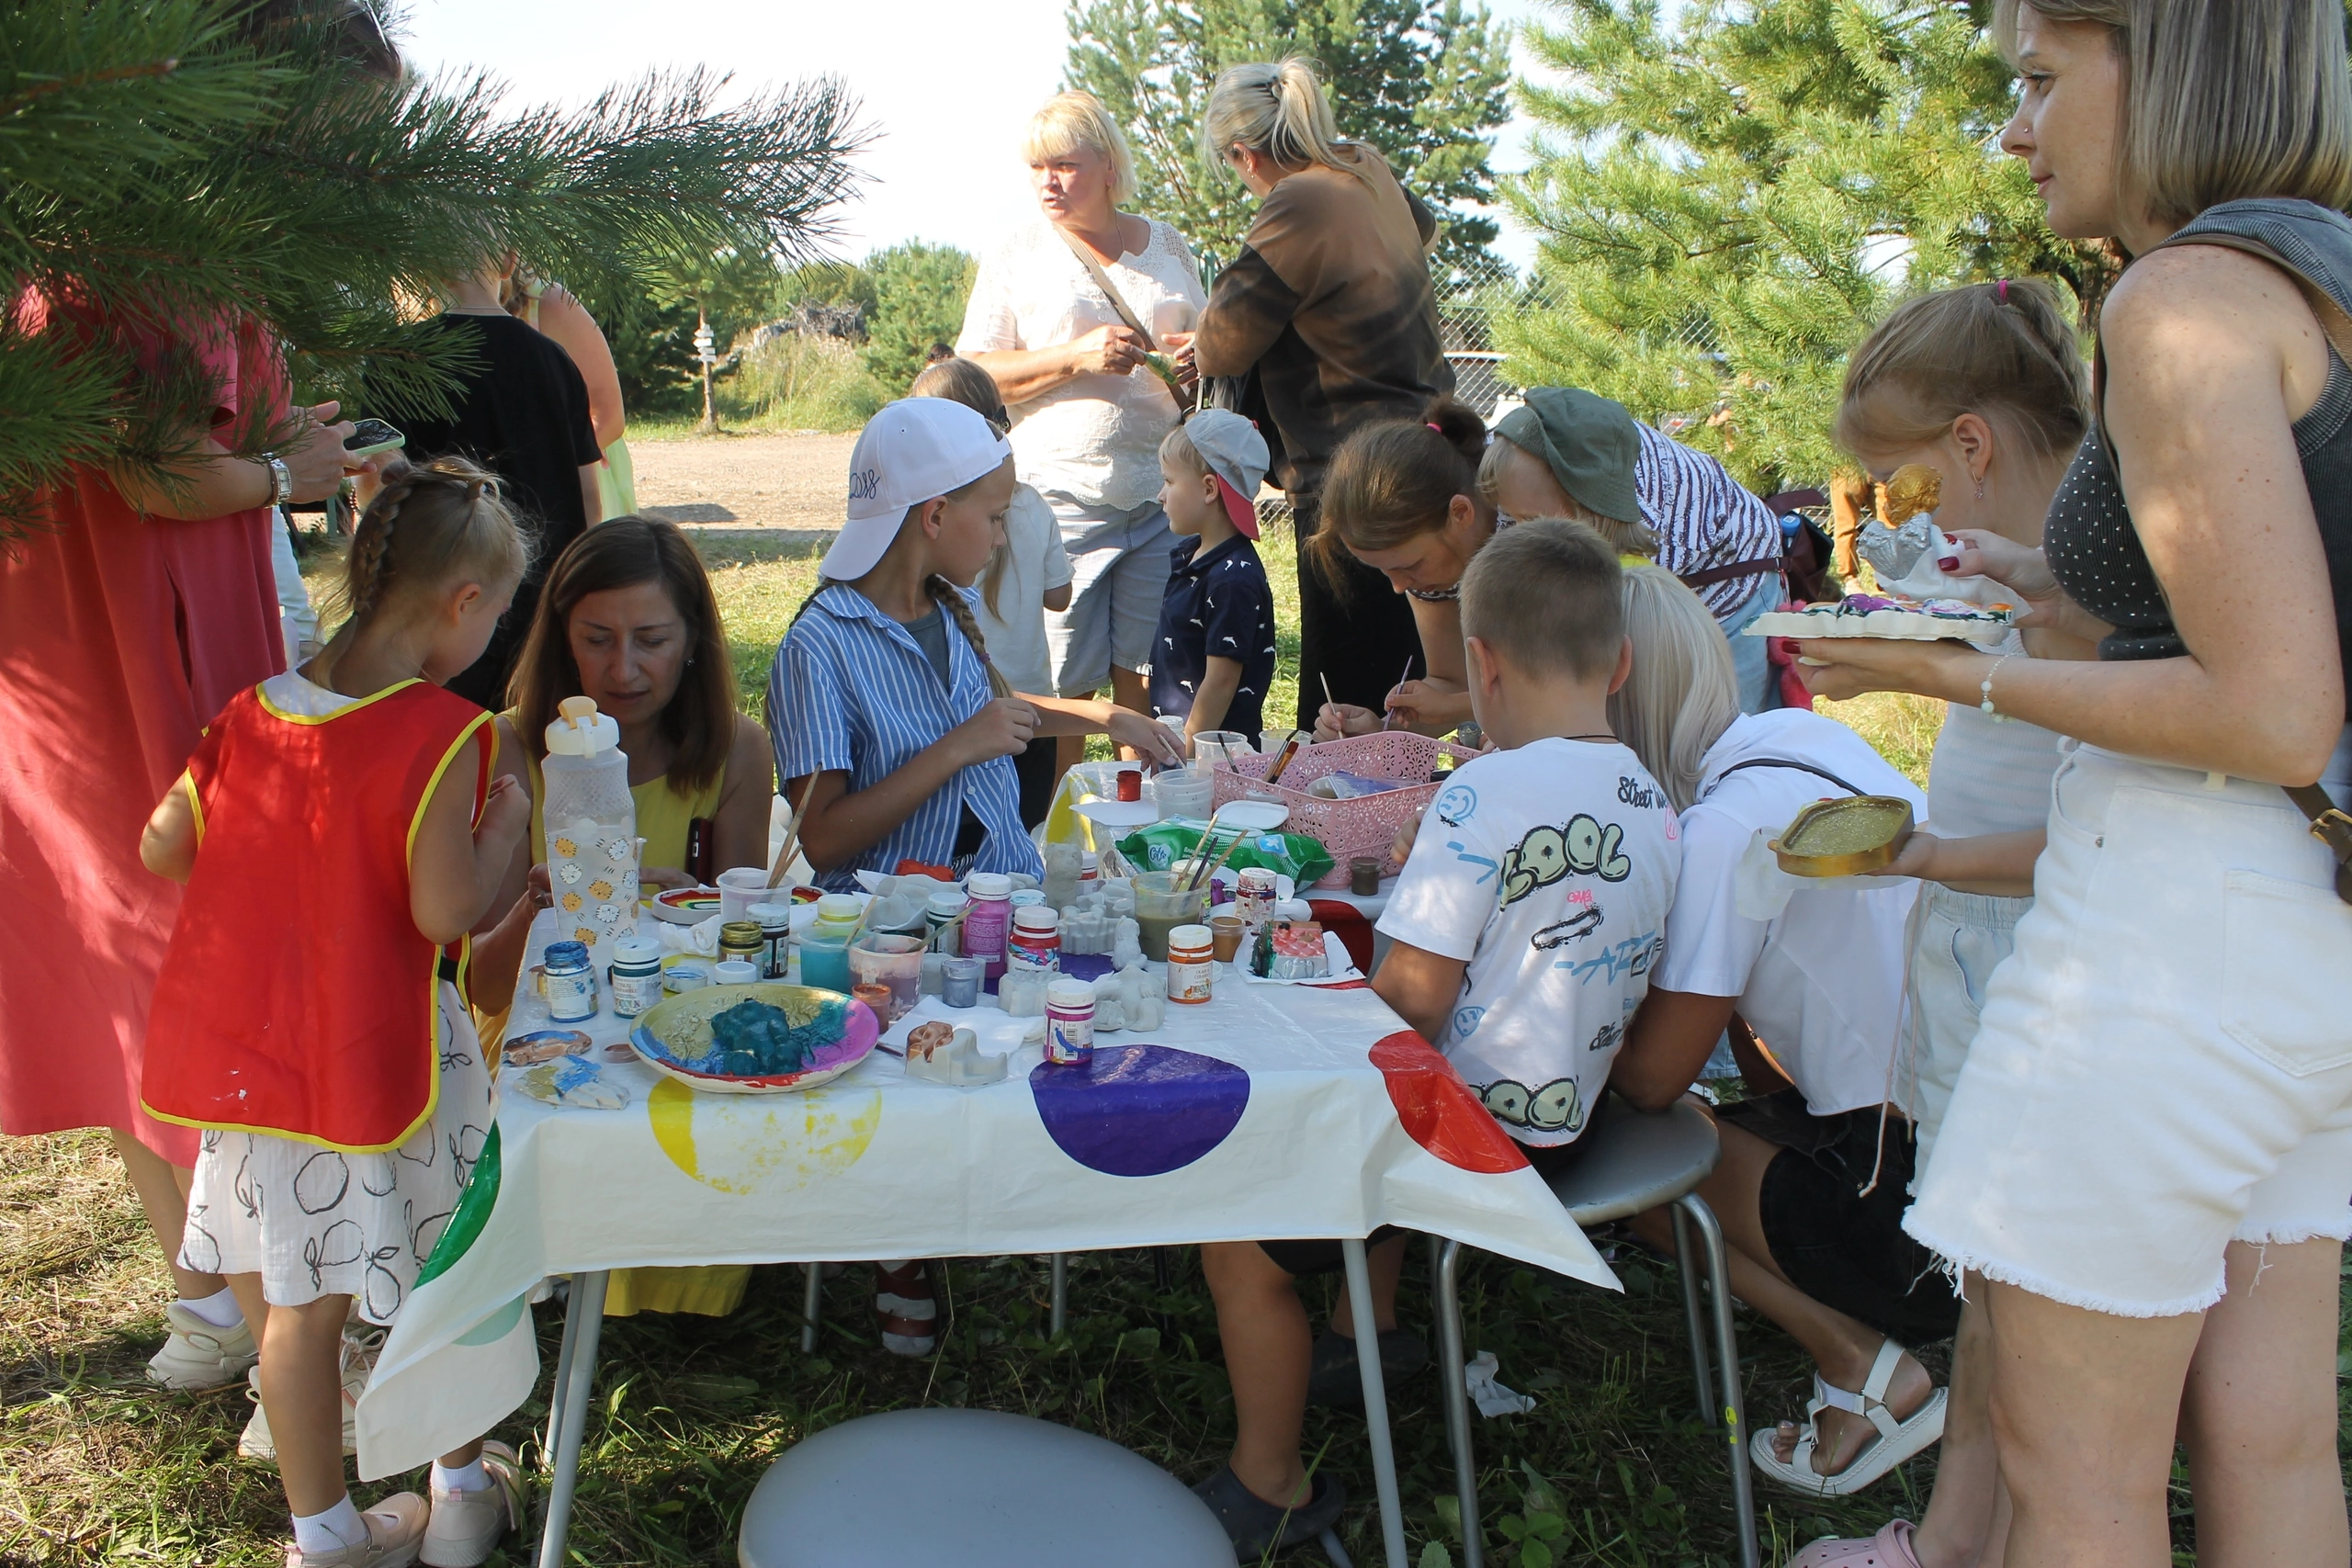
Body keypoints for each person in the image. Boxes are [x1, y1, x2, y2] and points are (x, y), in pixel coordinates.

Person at [1799, 5, 2352, 1562]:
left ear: (2160, 62)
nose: (2014, 127)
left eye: (2041, 78)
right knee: (2272, 1446)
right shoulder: (2318, 272)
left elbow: (2270, 706)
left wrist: (1942, 675)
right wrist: (2052, 581)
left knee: (2076, 1478)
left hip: (2169, 944)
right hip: (2306, 942)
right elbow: (2279, 600)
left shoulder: (2182, 297)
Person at [0, 6, 388, 1388]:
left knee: (149, 959)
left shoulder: (185, 253)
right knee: (171, 969)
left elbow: (226, 438)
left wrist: (299, 449)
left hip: (129, 641)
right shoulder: (148, 261)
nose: (356, 177)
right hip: (118, 655)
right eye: (346, 141)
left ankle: (211, 1300)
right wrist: (286, 476)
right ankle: (267, 1334)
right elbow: (161, 475)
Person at [1193, 522, 1679, 1557]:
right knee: (1415, 1089)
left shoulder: (1481, 791)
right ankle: (1362, 1335)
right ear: (1620, 664)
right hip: (1568, 1120)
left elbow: (1409, 1007)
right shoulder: (1655, 799)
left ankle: (1270, 1479)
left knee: (1235, 1225)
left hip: (1465, 1143)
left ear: (1483, 665)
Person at [136, 457, 530, 1568]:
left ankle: (325, 1536)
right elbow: (447, 909)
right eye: (495, 615)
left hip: (259, 1067)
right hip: (387, 1059)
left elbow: (163, 847)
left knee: (294, 1311)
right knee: (444, 1273)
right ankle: (460, 1493)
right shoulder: (440, 732)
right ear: (463, 602)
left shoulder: (250, 711)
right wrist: (504, 832)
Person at [767, 398, 1182, 1353]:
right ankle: (901, 1246)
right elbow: (824, 838)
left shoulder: (941, 610)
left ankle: (1039, 1193)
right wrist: (957, 748)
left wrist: (1102, 717)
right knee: (914, 1090)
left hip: (1003, 899)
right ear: (932, 515)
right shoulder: (818, 646)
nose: (1000, 538)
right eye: (993, 518)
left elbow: (1001, 709)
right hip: (895, 942)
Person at [1787, 281, 2091, 1565]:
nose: (1898, 520)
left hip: (2029, 962)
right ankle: (1959, 1533)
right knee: (1989, 1278)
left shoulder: (2093, 577)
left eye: (1903, 487)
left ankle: (1988, 1539)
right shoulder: (2033, 559)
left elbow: (2092, 836)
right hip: (1977, 940)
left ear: (1970, 443)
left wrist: (1924, 856)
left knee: (2030, 1303)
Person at [1602, 567, 1957, 1498]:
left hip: (1909, 1214)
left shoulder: (1720, 829)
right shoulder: (1801, 740)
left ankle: (1862, 1369)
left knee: (1622, 1147)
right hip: (1974, 1158)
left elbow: (1652, 1080)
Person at [458, 516, 775, 1320]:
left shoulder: (737, 748)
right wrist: (548, 904)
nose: (623, 668)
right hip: (540, 1025)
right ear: (562, 642)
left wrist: (679, 909)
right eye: (596, 639)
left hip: (674, 1011)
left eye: (652, 640)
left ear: (694, 639)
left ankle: (664, 1266)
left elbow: (742, 945)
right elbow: (488, 985)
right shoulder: (506, 747)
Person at [1190, 57, 1453, 727]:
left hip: (1352, 477)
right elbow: (1423, 230)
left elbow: (1220, 345)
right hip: (1429, 451)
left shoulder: (1297, 199)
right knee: (1408, 698)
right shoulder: (1364, 165)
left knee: (1341, 712)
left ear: (1244, 154)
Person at [956, 91, 1206, 779]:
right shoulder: (1017, 251)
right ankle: (1053, 824)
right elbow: (974, 373)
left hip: (1163, 499)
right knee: (1064, 688)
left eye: (1064, 165)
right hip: (1060, 497)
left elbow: (1205, 341)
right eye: (1037, 168)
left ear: (1108, 166)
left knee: (1145, 678)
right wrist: (1076, 356)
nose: (1048, 182)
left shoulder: (1167, 244)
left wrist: (1197, 357)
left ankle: (1139, 819)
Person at [369, 254, 603, 709]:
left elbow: (378, 488)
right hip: (546, 599)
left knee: (450, 735)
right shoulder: (554, 359)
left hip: (442, 605)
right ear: (509, 263)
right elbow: (589, 497)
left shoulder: (400, 360)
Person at [1482, 388, 1789, 712]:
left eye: (1531, 520)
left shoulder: (1652, 530)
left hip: (1732, 580)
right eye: (1511, 517)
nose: (1519, 532)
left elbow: (1615, 650)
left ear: (1586, 509)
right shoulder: (1519, 464)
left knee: (1720, 721)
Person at [908, 355, 1073, 826]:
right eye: (992, 521)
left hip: (981, 721)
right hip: (1025, 718)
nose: (996, 537)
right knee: (1022, 838)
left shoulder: (939, 532)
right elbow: (1059, 596)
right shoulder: (1034, 505)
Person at [1149, 410, 1278, 748]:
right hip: (1180, 747)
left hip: (1211, 758)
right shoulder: (1197, 558)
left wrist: (1188, 750)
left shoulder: (1232, 580)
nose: (1161, 495)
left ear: (1209, 488)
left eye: (1169, 482)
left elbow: (1221, 682)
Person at [504, 268, 636, 519]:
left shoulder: (549, 303)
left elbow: (608, 415)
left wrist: (544, 472)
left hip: (569, 476)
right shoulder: (429, 308)